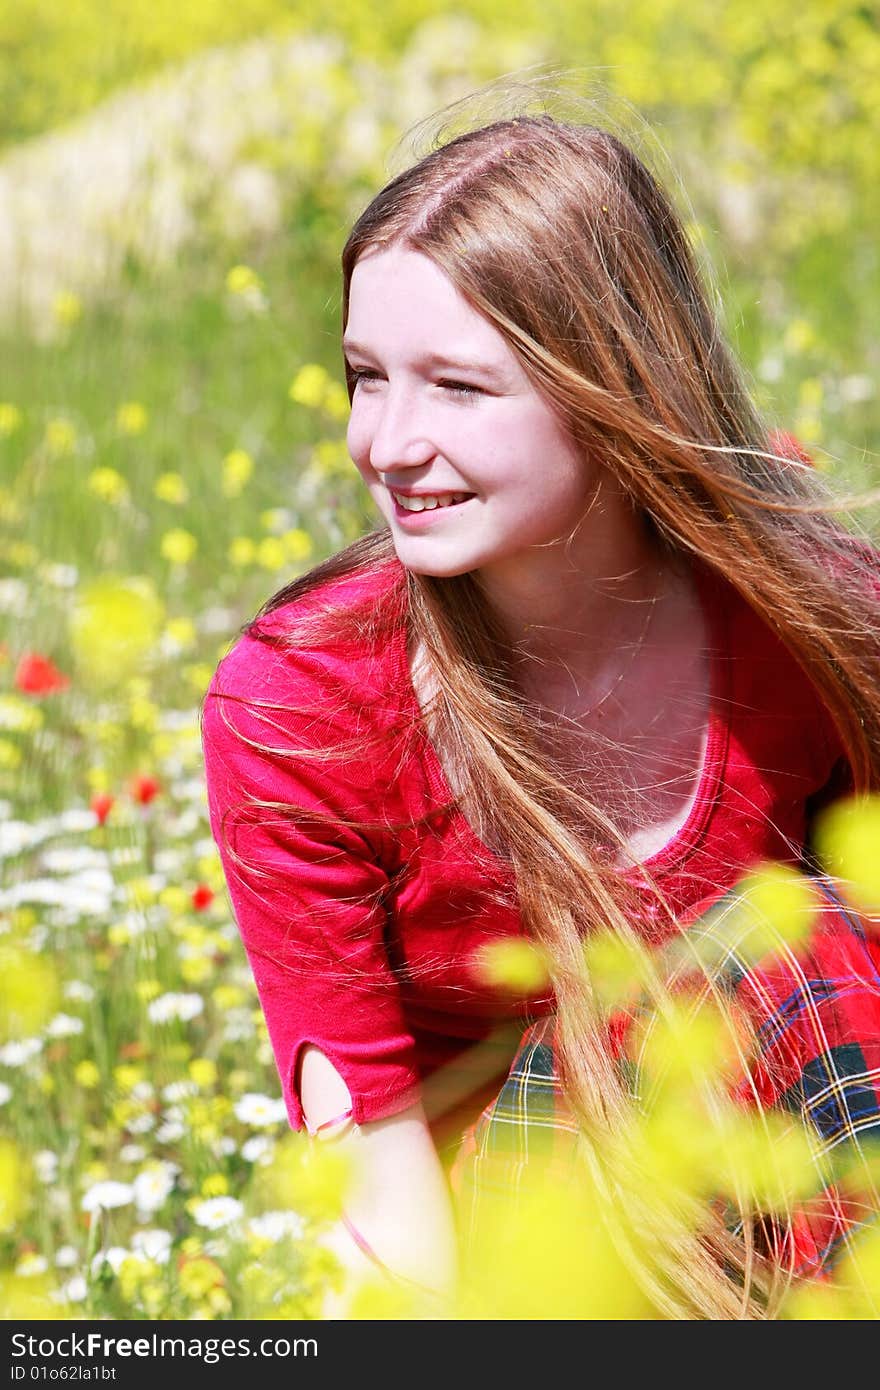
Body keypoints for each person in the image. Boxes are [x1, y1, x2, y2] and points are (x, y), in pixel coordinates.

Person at [200, 110, 880, 1319]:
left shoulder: (808, 613)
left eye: (457, 388)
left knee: (807, 948)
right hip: (533, 1252)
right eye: (366, 377)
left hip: (794, 1175)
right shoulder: (303, 707)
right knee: (782, 954)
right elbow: (371, 1164)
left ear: (610, 386)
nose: (386, 444)